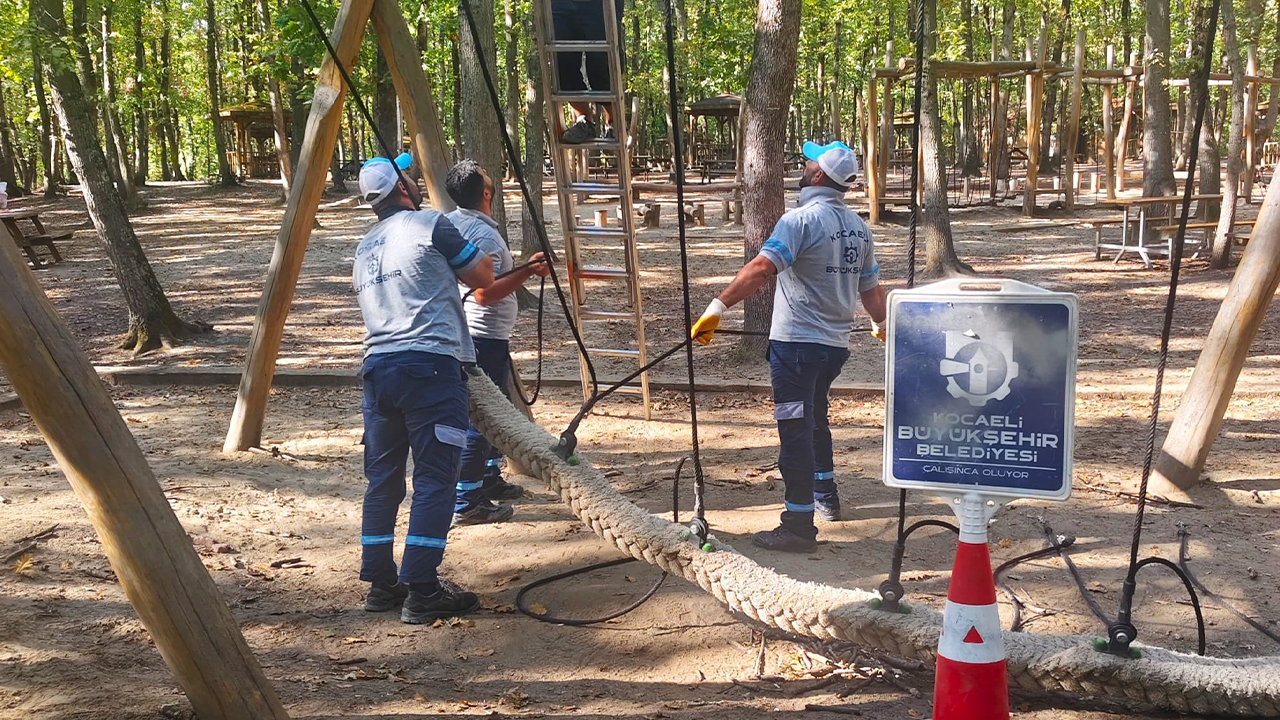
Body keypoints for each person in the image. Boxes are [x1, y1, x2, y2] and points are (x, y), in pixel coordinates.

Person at [690, 140, 888, 554]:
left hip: (797, 345)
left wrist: (717, 306)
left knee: (794, 429)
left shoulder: (799, 220)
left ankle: (798, 524)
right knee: (815, 418)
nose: (804, 164)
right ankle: (825, 493)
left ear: (818, 176)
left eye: (810, 161)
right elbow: (870, 289)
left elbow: (763, 268)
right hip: (833, 348)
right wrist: (881, 322)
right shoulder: (858, 227)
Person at [351, 155, 495, 623]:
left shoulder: (364, 247)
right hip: (430, 368)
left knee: (383, 479)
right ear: (403, 186)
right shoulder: (430, 224)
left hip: (377, 370)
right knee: (435, 477)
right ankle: (423, 588)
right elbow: (483, 277)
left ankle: (380, 583)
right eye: (409, 174)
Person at [445, 160, 549, 525]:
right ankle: (467, 499)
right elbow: (483, 294)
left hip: (482, 335)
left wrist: (520, 269)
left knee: (498, 412)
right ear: (486, 193)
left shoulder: (456, 223)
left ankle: (488, 478)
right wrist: (528, 272)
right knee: (484, 419)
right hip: (482, 335)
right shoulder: (483, 235)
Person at [552, 0, 625, 144]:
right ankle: (584, 121)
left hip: (599, 3)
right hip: (560, 4)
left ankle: (613, 122)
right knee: (561, 62)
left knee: (601, 64)